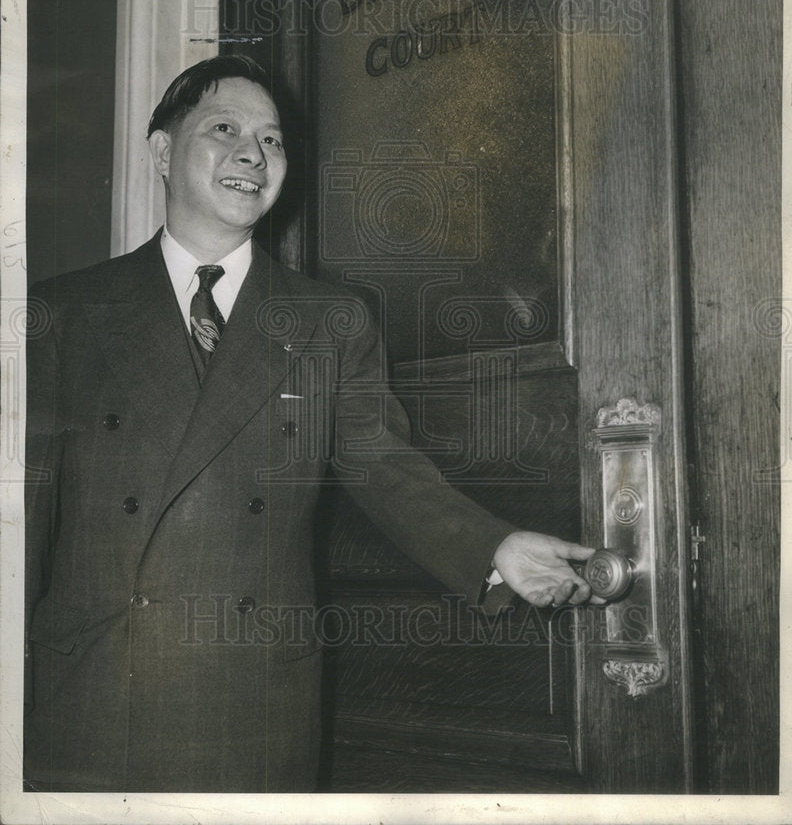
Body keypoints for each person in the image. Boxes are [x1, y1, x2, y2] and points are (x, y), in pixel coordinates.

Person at [24, 54, 597, 793]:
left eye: (272, 141)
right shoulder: (64, 314)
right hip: (93, 691)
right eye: (224, 129)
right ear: (163, 153)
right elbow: (22, 513)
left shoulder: (330, 320)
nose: (251, 156)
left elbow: (384, 470)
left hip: (251, 698)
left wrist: (494, 548)